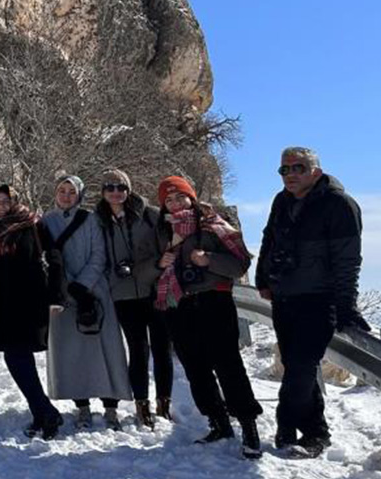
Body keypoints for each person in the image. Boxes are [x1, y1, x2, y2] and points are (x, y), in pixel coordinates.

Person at [256, 147, 366, 458]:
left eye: (298, 168)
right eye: (285, 169)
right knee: (296, 368)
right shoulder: (282, 201)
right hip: (285, 296)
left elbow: (348, 262)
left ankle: (290, 425)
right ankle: (314, 430)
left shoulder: (339, 205)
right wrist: (263, 278)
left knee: (302, 369)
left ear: (315, 171)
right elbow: (269, 239)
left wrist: (346, 307)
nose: (290, 174)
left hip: (320, 300)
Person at [154, 177, 263, 458]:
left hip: (214, 299)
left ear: (192, 197)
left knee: (228, 364)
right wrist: (161, 261)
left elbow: (240, 263)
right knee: (195, 368)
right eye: (169, 200)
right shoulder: (162, 230)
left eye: (181, 197)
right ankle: (218, 422)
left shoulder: (214, 225)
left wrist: (209, 260)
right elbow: (148, 270)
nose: (176, 203)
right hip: (178, 306)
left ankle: (249, 425)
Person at [41, 175, 133, 429]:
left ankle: (110, 407)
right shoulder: (46, 221)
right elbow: (46, 257)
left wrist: (82, 285)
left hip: (94, 291)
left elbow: (99, 254)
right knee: (71, 352)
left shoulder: (91, 220)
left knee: (105, 348)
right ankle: (81, 405)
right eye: (62, 191)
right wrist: (64, 286)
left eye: (72, 191)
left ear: (79, 195)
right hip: (62, 296)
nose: (66, 196)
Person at [94, 168, 174, 427]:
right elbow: (97, 256)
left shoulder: (149, 215)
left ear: (129, 190)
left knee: (162, 348)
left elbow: (168, 246)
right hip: (124, 293)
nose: (116, 193)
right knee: (138, 350)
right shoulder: (98, 221)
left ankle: (165, 403)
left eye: (121, 188)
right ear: (103, 192)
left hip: (155, 288)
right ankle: (142, 404)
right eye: (110, 188)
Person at [0, 184, 63, 439]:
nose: (1, 206)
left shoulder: (32, 224)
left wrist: (55, 293)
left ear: (15, 201)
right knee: (16, 357)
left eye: (6, 201)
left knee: (18, 356)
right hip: (3, 301)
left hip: (30, 299)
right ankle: (42, 411)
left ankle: (45, 411)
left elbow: (54, 258)